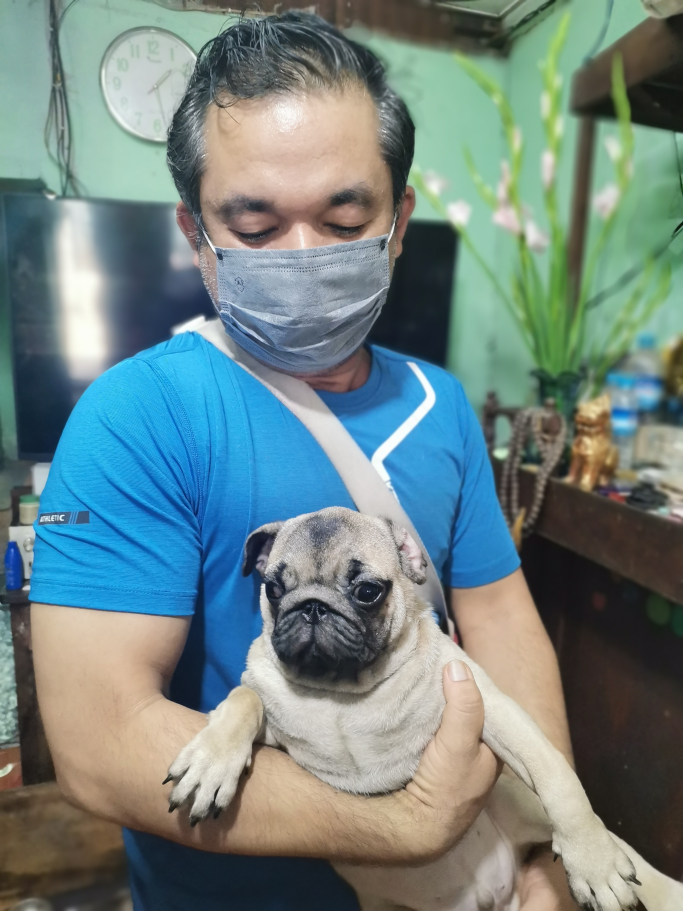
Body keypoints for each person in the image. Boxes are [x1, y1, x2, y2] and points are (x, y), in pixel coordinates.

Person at [30, 12, 578, 911]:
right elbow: (98, 741)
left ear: (397, 223)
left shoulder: (440, 403)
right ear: (195, 233)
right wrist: (407, 819)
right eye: (253, 224)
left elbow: (501, 619)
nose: (302, 256)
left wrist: (544, 853)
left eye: (343, 217)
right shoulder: (136, 416)